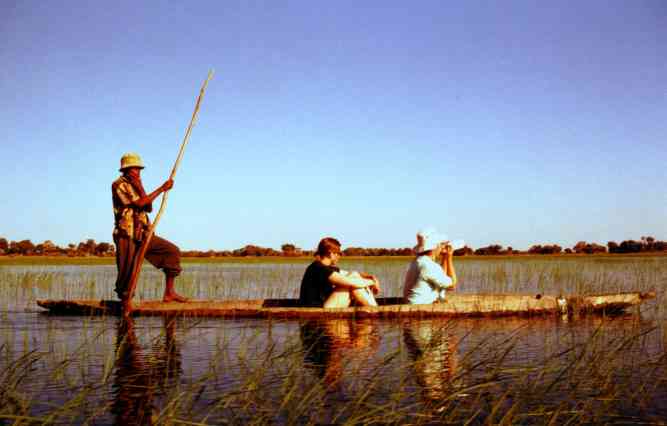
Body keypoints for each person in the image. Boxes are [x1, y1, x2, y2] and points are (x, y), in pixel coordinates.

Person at [112, 152, 188, 311]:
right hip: (127, 234)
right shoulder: (118, 185)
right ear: (125, 170)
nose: (137, 172)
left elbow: (149, 207)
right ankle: (126, 302)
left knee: (172, 251)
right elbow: (140, 204)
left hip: (143, 232)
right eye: (134, 169)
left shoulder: (136, 185)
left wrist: (140, 186)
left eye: (139, 169)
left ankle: (169, 293)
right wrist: (161, 188)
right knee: (128, 269)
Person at [298, 237, 380, 308]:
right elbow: (350, 282)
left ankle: (373, 308)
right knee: (351, 284)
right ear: (330, 253)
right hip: (319, 308)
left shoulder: (328, 268)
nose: (339, 256)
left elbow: (354, 274)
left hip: (327, 304)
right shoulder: (318, 268)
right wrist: (371, 282)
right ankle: (374, 309)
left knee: (354, 275)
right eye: (338, 253)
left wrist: (371, 277)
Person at [403, 228, 457, 305]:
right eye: (440, 244)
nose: (441, 247)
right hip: (418, 307)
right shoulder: (428, 265)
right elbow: (452, 285)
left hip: (414, 304)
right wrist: (449, 257)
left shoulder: (419, 261)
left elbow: (442, 277)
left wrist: (445, 258)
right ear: (434, 246)